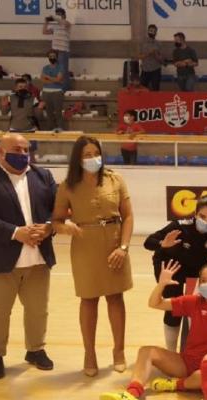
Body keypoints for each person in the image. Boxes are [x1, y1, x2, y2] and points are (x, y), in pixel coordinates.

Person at [0, 133, 57, 380]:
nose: (22, 153)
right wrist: (15, 233)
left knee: (38, 310)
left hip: (38, 258)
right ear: (0, 151)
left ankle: (35, 349)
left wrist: (48, 226)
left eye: (26, 149)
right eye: (16, 149)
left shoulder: (43, 176)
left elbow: (58, 209)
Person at [99, 263, 207, 400]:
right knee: (147, 351)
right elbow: (155, 303)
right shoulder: (193, 302)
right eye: (203, 280)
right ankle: (131, 394)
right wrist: (161, 285)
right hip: (187, 363)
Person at [51, 136, 134, 377]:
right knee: (88, 300)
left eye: (95, 153)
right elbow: (56, 220)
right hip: (85, 245)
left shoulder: (115, 179)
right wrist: (65, 227)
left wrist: (124, 247)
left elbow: (128, 216)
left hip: (114, 242)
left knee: (115, 298)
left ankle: (119, 351)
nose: (92, 158)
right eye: (86, 155)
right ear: (78, 158)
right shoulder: (68, 185)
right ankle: (89, 353)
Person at [144, 195, 207, 351]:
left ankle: (190, 347)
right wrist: (163, 244)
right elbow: (148, 242)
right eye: (202, 217)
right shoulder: (180, 226)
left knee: (196, 306)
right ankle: (171, 351)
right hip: (171, 266)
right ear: (195, 215)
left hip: (195, 267)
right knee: (174, 308)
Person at [42, 8, 72, 88]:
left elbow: (65, 23)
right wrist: (46, 22)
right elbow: (44, 32)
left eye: (59, 14)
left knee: (63, 71)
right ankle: (58, 88)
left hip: (63, 51)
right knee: (56, 70)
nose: (58, 15)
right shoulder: (54, 25)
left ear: (64, 15)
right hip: (54, 51)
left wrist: (55, 17)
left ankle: (65, 89)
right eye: (57, 14)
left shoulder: (67, 23)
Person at [40, 51, 66, 131]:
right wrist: (55, 80)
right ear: (48, 57)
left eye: (53, 56)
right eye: (50, 56)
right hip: (46, 92)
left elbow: (59, 79)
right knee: (49, 113)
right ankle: (50, 129)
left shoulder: (60, 67)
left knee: (58, 112)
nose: (52, 58)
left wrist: (47, 76)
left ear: (56, 57)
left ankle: (60, 129)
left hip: (57, 92)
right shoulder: (45, 68)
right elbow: (43, 80)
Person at [140, 25, 163, 92]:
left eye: (153, 31)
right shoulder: (143, 43)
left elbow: (161, 60)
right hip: (145, 69)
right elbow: (139, 56)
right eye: (150, 30)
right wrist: (148, 53)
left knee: (155, 89)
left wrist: (155, 54)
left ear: (156, 33)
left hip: (156, 69)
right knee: (143, 89)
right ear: (147, 31)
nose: (151, 32)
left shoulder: (159, 44)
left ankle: (155, 102)